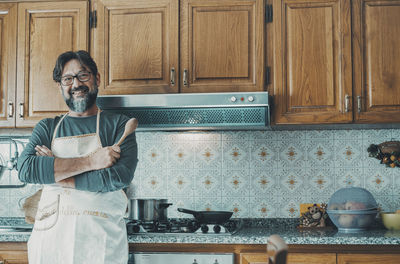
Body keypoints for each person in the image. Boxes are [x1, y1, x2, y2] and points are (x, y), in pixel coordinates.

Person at [17, 50, 138, 264]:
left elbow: (118, 177)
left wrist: (55, 173)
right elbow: (27, 169)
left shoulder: (119, 125)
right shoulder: (47, 127)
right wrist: (92, 162)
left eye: (83, 75)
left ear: (96, 78)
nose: (76, 84)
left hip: (100, 241)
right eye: (67, 79)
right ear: (60, 86)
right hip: (50, 241)